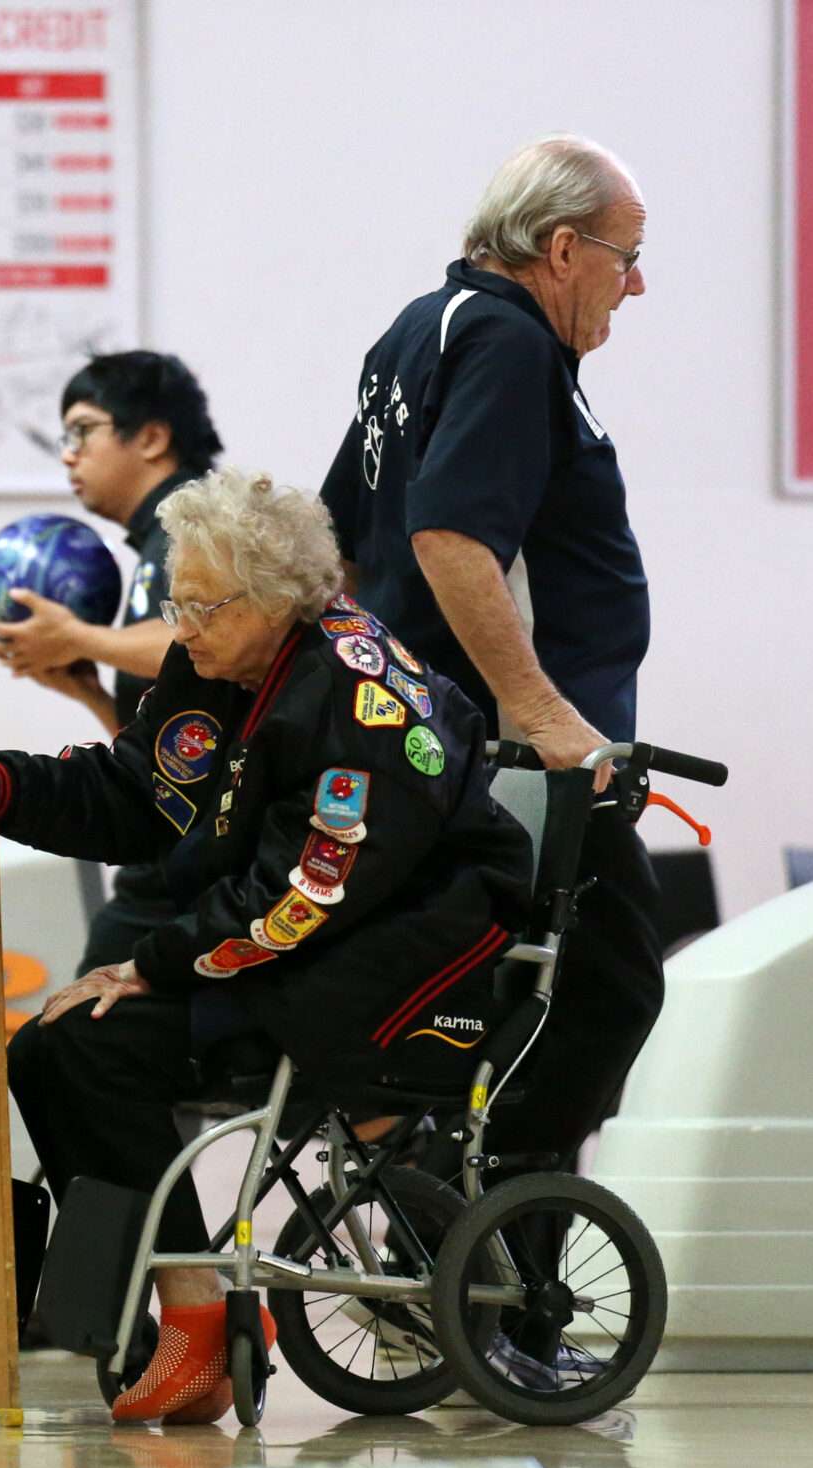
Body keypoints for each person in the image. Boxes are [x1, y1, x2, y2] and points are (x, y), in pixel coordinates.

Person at [0, 468, 532, 1425]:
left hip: (399, 959)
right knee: (52, 1046)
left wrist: (148, 964)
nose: (183, 622)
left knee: (92, 1041)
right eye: (177, 598)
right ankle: (171, 1315)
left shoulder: (351, 696)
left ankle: (194, 1325)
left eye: (202, 603)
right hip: (317, 939)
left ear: (274, 600)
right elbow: (138, 790)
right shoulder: (217, 665)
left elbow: (303, 894)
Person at [317, 135, 660, 1223]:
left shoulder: (417, 330)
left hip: (444, 746)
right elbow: (448, 538)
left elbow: (337, 545)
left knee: (509, 1001)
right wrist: (539, 713)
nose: (636, 282)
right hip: (524, 761)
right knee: (602, 991)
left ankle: (441, 1230)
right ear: (562, 248)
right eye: (625, 255)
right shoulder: (508, 343)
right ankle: (494, 1253)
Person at [0, 352, 224, 973]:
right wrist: (90, 690)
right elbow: (173, 736)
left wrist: (79, 637)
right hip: (175, 843)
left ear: (150, 437)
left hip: (203, 860)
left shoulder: (197, 525)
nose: (68, 453)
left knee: (70, 1040)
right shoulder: (158, 539)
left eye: (82, 431)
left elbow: (209, 635)